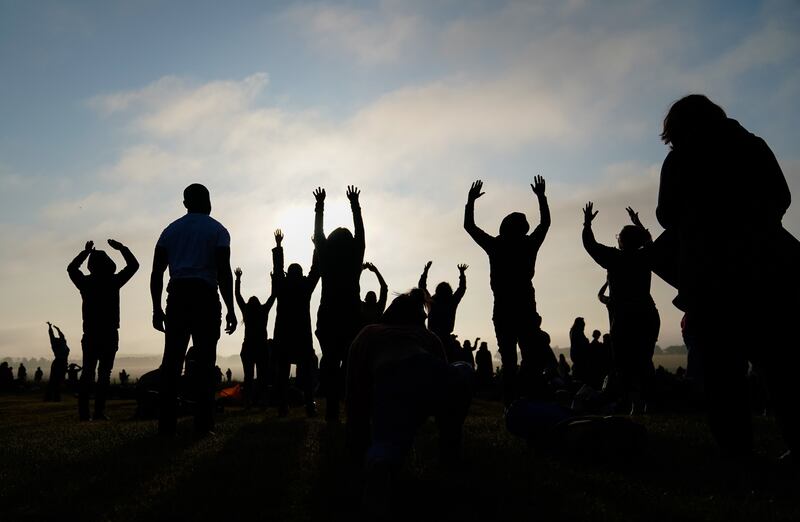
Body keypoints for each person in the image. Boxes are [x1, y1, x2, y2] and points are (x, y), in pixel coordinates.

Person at [655, 94, 798, 460]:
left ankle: (739, 457)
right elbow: (782, 196)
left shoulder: (679, 160)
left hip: (708, 278)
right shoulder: (752, 145)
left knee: (722, 376)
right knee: (781, 367)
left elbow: (666, 216)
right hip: (768, 271)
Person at [346, 289, 474, 480]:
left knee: (386, 442)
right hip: (425, 372)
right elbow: (444, 379)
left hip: (387, 379)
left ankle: (379, 463)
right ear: (419, 317)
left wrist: (358, 426)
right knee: (463, 369)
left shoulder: (368, 333)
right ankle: (450, 450)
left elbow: (354, 388)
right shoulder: (428, 336)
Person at [151, 183, 237, 436]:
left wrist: (156, 308)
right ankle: (203, 424)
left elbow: (157, 272)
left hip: (177, 296)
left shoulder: (170, 231)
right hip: (205, 296)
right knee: (206, 361)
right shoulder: (218, 230)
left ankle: (166, 426)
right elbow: (224, 272)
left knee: (172, 361)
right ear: (207, 201)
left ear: (185, 203)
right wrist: (231, 308)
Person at [464, 176, 550, 406]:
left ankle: (511, 404)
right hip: (525, 304)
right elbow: (545, 225)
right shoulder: (528, 244)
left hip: (503, 306)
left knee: (509, 359)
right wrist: (542, 197)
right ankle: (529, 398)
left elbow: (469, 227)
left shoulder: (496, 245)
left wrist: (470, 201)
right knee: (529, 356)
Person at [583, 203, 660, 413]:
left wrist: (587, 223)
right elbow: (650, 242)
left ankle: (634, 404)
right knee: (644, 360)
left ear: (622, 241)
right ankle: (646, 403)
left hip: (625, 317)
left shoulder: (614, 258)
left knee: (625, 363)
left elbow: (590, 245)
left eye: (619, 236)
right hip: (647, 314)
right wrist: (639, 224)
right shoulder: (645, 257)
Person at [68, 239, 139, 421]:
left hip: (91, 333)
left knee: (87, 374)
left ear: (91, 266)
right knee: (104, 374)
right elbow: (134, 265)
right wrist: (122, 248)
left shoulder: (86, 283)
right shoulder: (114, 281)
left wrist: (85, 252)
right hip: (109, 333)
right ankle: (99, 412)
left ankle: (84, 413)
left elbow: (72, 269)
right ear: (109, 264)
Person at [313, 186, 365, 422]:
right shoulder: (355, 256)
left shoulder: (326, 258)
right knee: (352, 364)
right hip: (352, 314)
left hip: (329, 315)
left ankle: (332, 410)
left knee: (330, 360)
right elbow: (361, 233)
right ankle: (354, 409)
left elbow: (319, 234)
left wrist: (320, 205)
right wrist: (355, 204)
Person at [272, 229, 320, 417]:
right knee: (306, 373)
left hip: (284, 335)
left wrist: (278, 246)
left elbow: (277, 270)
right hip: (301, 336)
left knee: (283, 373)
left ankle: (283, 406)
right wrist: (316, 248)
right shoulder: (304, 287)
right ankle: (309, 405)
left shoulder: (281, 286)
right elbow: (315, 270)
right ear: (300, 274)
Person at [234, 266, 275, 406]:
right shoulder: (263, 311)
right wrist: (273, 279)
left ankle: (248, 400)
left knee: (248, 377)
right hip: (262, 347)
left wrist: (238, 279)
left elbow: (238, 296)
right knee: (262, 376)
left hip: (248, 348)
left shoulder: (246, 311)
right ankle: (262, 401)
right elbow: (273, 296)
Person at [418, 261, 468, 356]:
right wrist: (462, 273)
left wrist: (425, 271)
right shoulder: (452, 301)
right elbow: (462, 288)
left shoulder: (432, 301)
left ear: (437, 290)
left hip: (432, 337)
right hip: (446, 338)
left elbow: (422, 287)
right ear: (450, 291)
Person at [45, 323, 70, 401]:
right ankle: (54, 396)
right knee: (57, 381)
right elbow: (57, 336)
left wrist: (51, 327)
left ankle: (51, 396)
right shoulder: (62, 345)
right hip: (61, 363)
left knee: (54, 380)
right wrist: (57, 329)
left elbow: (52, 336)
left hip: (58, 363)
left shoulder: (56, 345)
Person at [360, 262, 388, 327]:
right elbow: (384, 288)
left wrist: (361, 269)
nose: (371, 298)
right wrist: (376, 271)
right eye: (371, 297)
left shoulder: (361, 307)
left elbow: (384, 288)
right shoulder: (379, 308)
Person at [569, 318, 591, 385]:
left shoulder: (573, 331)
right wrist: (587, 341)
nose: (584, 326)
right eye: (583, 324)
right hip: (580, 355)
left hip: (575, 354)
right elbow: (582, 343)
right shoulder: (578, 332)